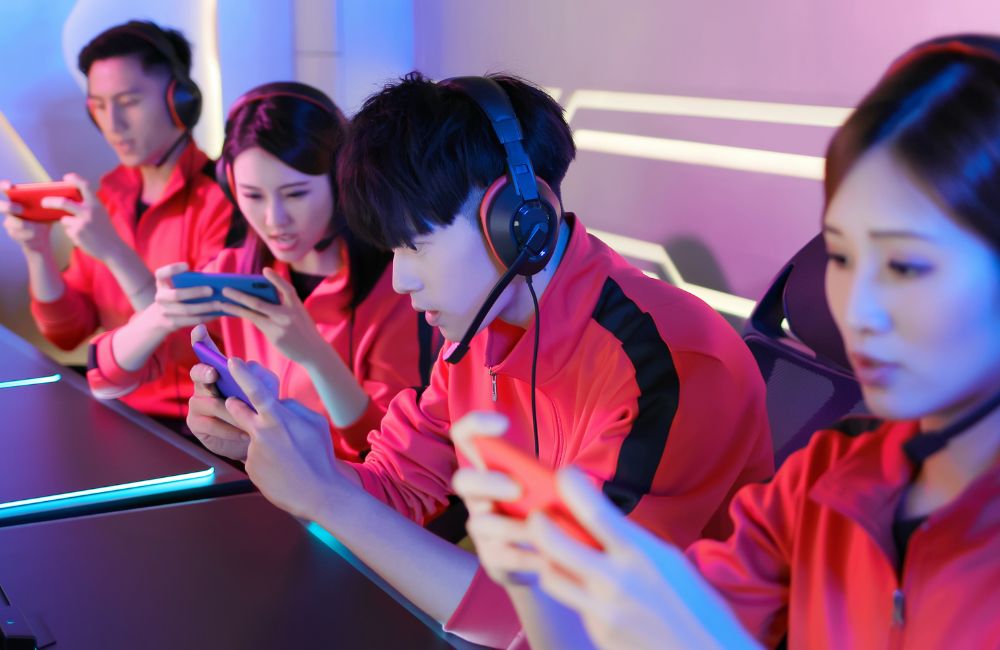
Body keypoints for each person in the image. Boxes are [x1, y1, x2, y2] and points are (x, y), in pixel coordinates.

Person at [452, 35, 1000, 649]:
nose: (857, 309)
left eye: (904, 266)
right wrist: (533, 579)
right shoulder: (824, 480)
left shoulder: (665, 363)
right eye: (842, 257)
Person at [188, 72, 773, 646]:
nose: (400, 279)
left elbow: (565, 622)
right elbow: (396, 487)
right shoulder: (477, 329)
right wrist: (279, 449)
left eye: (416, 245)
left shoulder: (671, 367)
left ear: (519, 222)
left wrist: (326, 496)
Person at [88, 81, 435, 460]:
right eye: (253, 195)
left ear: (340, 181)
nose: (274, 219)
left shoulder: (398, 286)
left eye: (295, 193)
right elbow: (107, 378)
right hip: (259, 481)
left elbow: (386, 450)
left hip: (342, 491)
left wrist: (314, 355)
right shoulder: (234, 271)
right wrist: (159, 316)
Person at [0, 20, 231, 426]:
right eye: (100, 106)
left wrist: (114, 252)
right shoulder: (110, 196)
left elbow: (203, 356)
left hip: (197, 427)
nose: (113, 123)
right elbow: (68, 333)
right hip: (116, 409)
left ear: (180, 100)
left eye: (128, 101)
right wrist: (38, 252)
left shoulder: (225, 203)